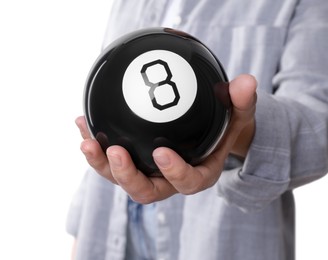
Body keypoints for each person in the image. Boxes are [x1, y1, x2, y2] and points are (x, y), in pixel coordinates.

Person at [66, 0, 328, 259]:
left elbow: (319, 131)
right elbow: (108, 102)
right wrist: (80, 241)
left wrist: (236, 130)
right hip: (105, 235)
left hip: (221, 243)